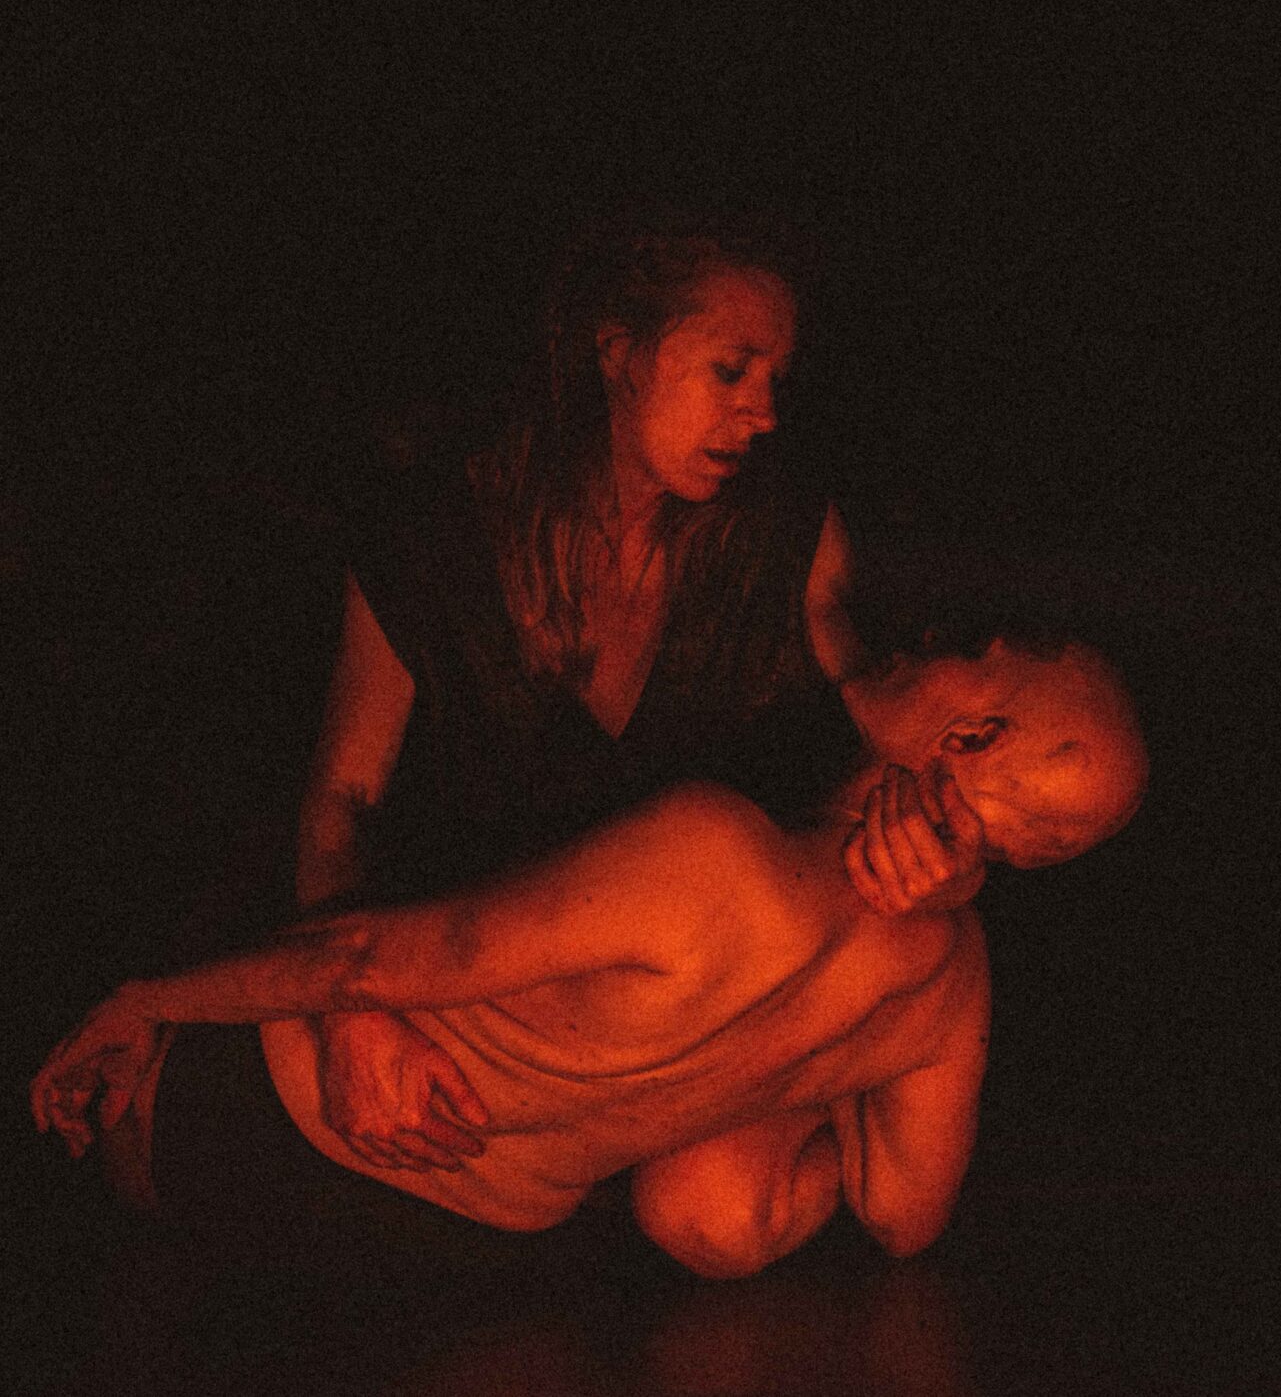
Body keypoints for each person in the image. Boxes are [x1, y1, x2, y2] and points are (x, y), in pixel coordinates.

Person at [35, 637, 1147, 1281]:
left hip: (242, 1124)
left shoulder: (717, 856)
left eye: (991, 653)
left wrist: (144, 1000)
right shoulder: (950, 993)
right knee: (712, 1198)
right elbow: (903, 1217)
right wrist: (808, 1069)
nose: (959, 642)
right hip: (452, 1254)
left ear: (972, 735)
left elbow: (363, 959)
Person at [295, 209, 952, 1178]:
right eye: (731, 370)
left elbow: (890, 717)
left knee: (717, 1209)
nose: (764, 413)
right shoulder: (436, 542)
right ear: (617, 350)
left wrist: (937, 839)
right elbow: (342, 797)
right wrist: (352, 1018)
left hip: (672, 1055)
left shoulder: (781, 538)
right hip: (472, 1024)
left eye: (776, 379)